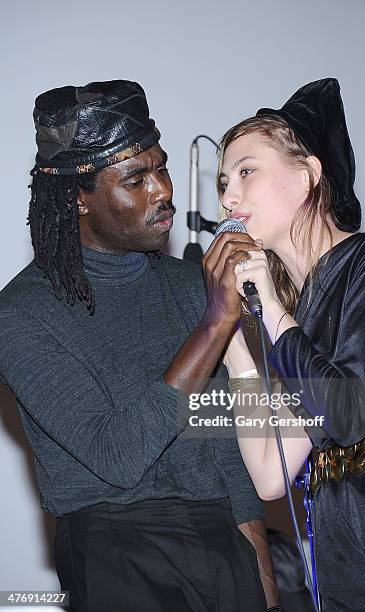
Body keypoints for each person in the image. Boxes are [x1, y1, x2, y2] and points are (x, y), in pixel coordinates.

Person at [0, 80, 281, 611]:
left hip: (223, 542)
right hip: (117, 555)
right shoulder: (20, 315)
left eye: (163, 167)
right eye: (136, 178)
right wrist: (214, 325)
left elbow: (225, 442)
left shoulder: (187, 283)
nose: (163, 191)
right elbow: (117, 454)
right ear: (78, 197)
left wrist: (261, 573)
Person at [214, 78, 365, 610]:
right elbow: (269, 473)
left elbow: (349, 412)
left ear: (308, 174)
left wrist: (274, 311)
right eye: (222, 182)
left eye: (246, 171)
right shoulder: (296, 319)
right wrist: (231, 338)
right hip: (348, 588)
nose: (227, 197)